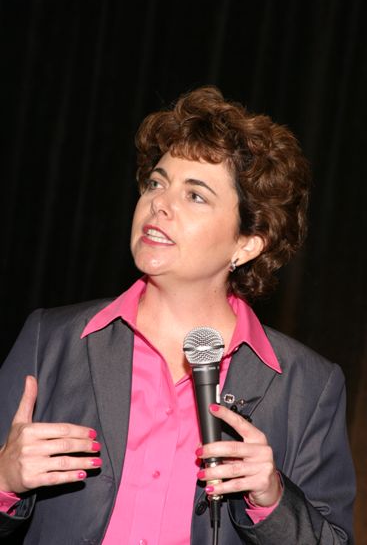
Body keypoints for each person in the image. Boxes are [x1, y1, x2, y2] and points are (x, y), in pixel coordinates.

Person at [0, 86, 355, 544]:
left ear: (247, 243)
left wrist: (272, 499)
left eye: (196, 196)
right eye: (156, 182)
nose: (159, 203)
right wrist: (5, 481)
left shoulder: (308, 385)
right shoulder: (50, 339)